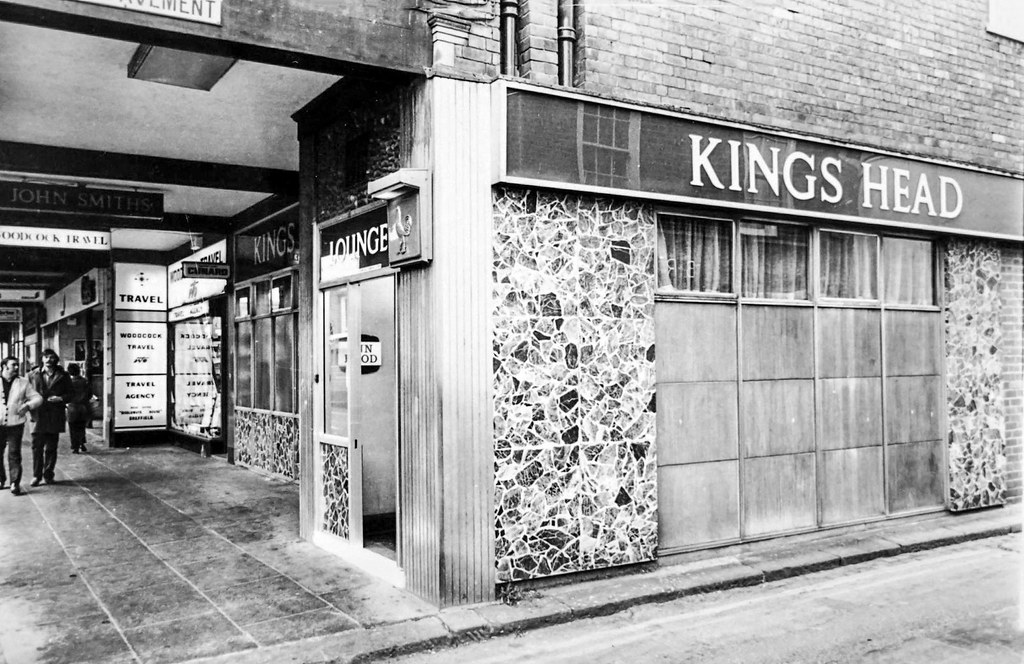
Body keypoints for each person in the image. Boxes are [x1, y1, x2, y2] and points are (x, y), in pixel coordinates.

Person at [29, 349, 72, 486]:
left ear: (56, 359)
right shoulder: (32, 375)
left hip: (55, 415)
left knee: (51, 448)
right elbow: (26, 393)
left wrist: (60, 398)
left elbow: (71, 394)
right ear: (42, 359)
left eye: (51, 357)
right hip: (38, 416)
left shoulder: (64, 376)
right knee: (37, 447)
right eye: (46, 357)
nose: (48, 360)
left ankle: (48, 474)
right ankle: (36, 476)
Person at [1, 357, 42, 495]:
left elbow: (38, 398)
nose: (17, 368)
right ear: (4, 366)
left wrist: (28, 405)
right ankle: (1, 479)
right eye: (13, 365)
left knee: (14, 453)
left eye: (17, 365)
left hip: (15, 424)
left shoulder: (23, 382)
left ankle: (14, 483)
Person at [65, 363, 92, 454]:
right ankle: (82, 443)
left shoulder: (68, 382)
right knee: (81, 427)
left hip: (72, 407)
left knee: (73, 428)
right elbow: (90, 394)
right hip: (83, 407)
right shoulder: (85, 381)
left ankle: (75, 447)